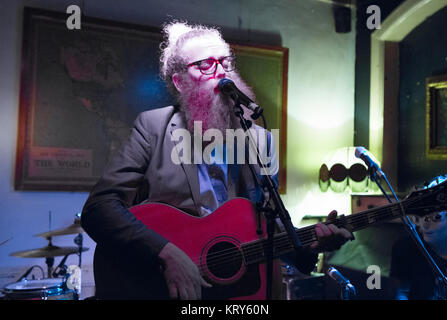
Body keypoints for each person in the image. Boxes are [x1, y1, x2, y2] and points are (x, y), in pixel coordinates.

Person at [81, 20, 353, 300]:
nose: (221, 72)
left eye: (225, 62)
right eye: (205, 65)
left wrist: (309, 246)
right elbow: (99, 209)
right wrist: (166, 253)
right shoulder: (153, 127)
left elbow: (271, 230)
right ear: (180, 82)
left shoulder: (259, 141)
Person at [389, 175, 447, 300]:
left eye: (436, 217)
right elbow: (399, 292)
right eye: (421, 216)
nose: (424, 225)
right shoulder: (405, 248)